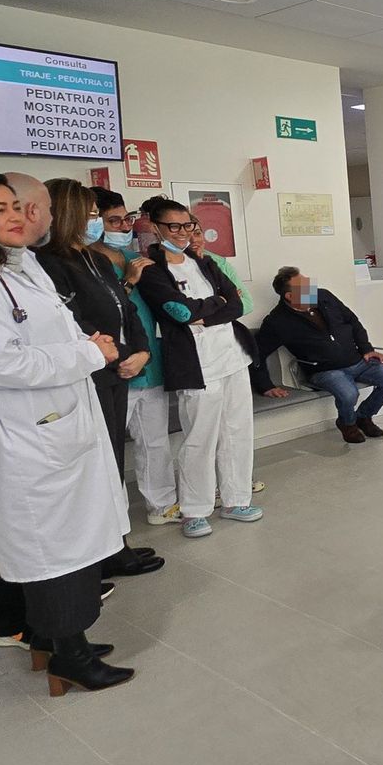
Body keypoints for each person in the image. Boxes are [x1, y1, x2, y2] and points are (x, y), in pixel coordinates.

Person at [0, 171, 132, 694]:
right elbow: (1, 364)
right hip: (24, 441)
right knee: (51, 550)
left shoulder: (16, 264)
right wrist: (89, 354)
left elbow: (48, 331)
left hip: (52, 427)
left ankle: (59, 641)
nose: (17, 217)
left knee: (70, 544)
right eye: (0, 210)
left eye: (17, 206)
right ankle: (69, 657)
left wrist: (85, 344)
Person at [36, 178, 164, 578]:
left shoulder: (96, 259)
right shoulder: (49, 264)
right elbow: (74, 323)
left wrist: (141, 351)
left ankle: (115, 543)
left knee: (112, 461)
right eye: (91, 214)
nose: (96, 222)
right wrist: (122, 357)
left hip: (118, 371)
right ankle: (102, 550)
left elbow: (126, 308)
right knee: (95, 464)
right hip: (91, 375)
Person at [136, 198, 262, 538]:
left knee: (237, 432)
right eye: (174, 226)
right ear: (156, 228)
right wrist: (213, 305)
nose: (183, 233)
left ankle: (236, 500)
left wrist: (206, 311)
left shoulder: (203, 261)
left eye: (188, 225)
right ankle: (194, 510)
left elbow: (236, 304)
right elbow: (179, 312)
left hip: (232, 356)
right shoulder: (150, 270)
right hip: (196, 365)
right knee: (199, 438)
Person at [92, 187, 180, 525]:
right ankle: (111, 520)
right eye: (113, 221)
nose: (124, 227)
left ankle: (162, 504)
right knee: (107, 447)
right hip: (113, 368)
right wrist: (128, 283)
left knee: (155, 441)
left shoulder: (134, 258)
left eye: (126, 219)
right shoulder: (86, 264)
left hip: (147, 360)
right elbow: (102, 313)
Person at [250, 267, 383, 444]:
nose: (311, 289)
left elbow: (352, 321)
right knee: (349, 394)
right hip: (324, 371)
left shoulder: (324, 297)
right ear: (290, 296)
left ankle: (363, 416)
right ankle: (347, 424)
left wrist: (366, 349)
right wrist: (265, 386)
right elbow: (256, 353)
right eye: (304, 287)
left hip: (357, 360)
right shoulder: (277, 321)